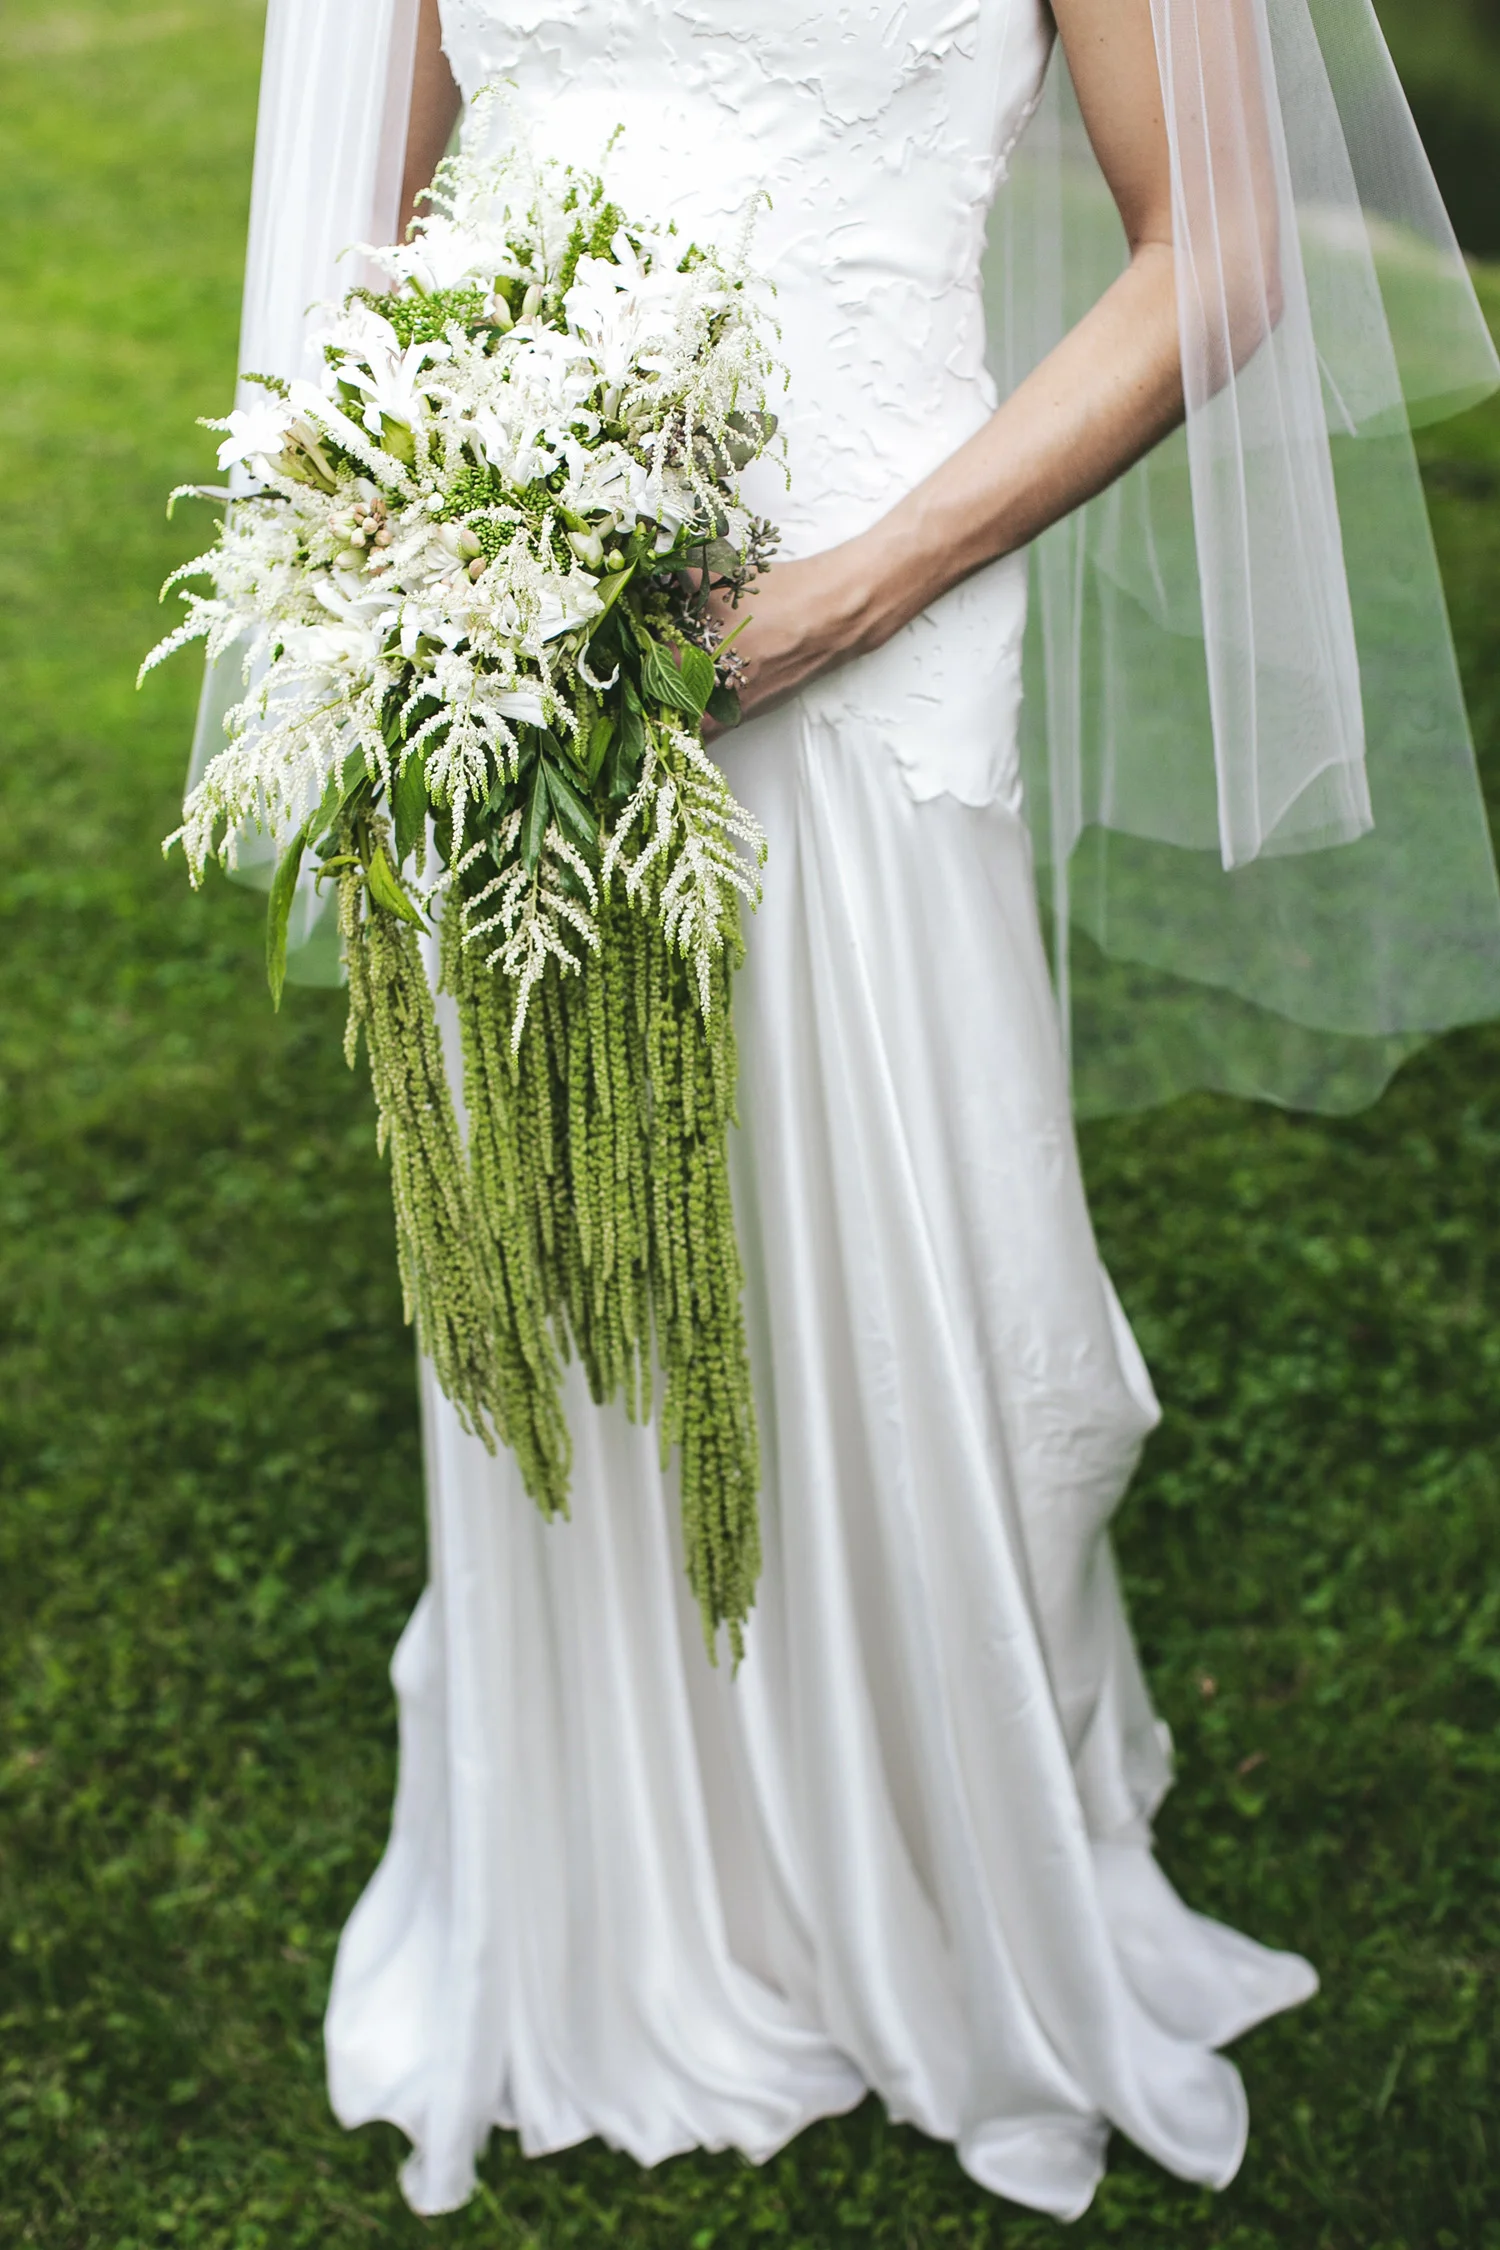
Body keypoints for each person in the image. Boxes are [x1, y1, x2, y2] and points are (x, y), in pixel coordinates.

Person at [216, 0, 1500, 2220]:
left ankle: (943, 1856)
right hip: (511, 645)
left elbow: (1218, 252)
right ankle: (604, 1894)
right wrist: (436, 556)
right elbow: (348, 235)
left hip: (877, 594)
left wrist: (840, 597)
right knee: (564, 1245)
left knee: (918, 1270)